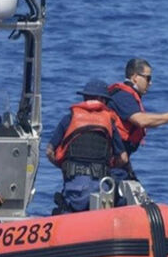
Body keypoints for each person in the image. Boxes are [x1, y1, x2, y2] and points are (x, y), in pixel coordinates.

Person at [46, 80, 129, 213]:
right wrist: (108, 166)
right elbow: (123, 158)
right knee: (121, 197)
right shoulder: (109, 122)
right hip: (99, 189)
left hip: (73, 193)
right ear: (101, 100)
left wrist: (64, 166)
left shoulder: (69, 118)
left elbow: (49, 151)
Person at [106, 57, 168, 160]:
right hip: (112, 159)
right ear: (135, 77)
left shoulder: (127, 95)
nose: (150, 83)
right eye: (148, 78)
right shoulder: (123, 96)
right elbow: (141, 120)